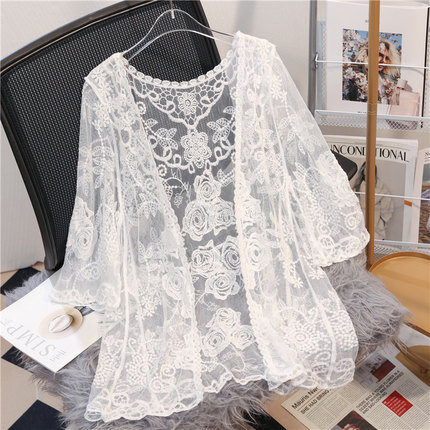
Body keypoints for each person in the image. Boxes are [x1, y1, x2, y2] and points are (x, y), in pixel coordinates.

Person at [353, 162, 394, 240]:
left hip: (375, 222)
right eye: (366, 168)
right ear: (363, 171)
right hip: (360, 221)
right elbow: (352, 205)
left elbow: (387, 204)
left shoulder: (380, 187)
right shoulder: (357, 186)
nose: (367, 171)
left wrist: (382, 221)